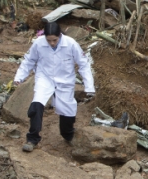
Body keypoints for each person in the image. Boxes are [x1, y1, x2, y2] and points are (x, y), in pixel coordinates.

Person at [13, 22, 94, 152]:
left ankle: (68, 135)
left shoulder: (71, 44)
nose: (51, 43)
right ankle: (32, 139)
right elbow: (29, 61)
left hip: (65, 80)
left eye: (54, 40)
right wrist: (19, 77)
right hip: (44, 79)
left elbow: (83, 64)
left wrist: (89, 86)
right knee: (36, 105)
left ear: (60, 35)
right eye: (48, 40)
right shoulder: (39, 43)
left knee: (67, 111)